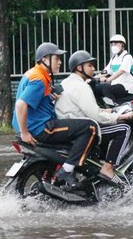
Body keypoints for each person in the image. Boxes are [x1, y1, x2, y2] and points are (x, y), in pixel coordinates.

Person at [12, 42, 99, 187]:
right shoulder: (39, 79)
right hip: (41, 128)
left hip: (35, 124)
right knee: (90, 127)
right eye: (56, 58)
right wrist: (25, 133)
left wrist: (50, 97)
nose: (60, 62)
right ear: (45, 59)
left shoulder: (35, 73)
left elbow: (36, 100)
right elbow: (21, 104)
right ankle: (67, 170)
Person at [56, 50, 133, 183]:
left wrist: (112, 111)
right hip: (81, 129)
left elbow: (88, 109)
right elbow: (96, 115)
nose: (93, 69)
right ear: (79, 67)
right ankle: (108, 168)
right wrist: (121, 117)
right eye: (90, 65)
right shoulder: (81, 87)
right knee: (124, 128)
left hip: (69, 125)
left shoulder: (67, 82)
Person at [94, 34, 133, 105]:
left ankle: (115, 108)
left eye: (116, 44)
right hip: (115, 85)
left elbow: (121, 71)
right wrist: (94, 77)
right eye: (112, 44)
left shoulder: (127, 57)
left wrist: (108, 79)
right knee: (97, 89)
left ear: (122, 45)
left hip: (126, 87)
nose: (113, 46)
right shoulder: (114, 58)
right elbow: (106, 71)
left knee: (105, 88)